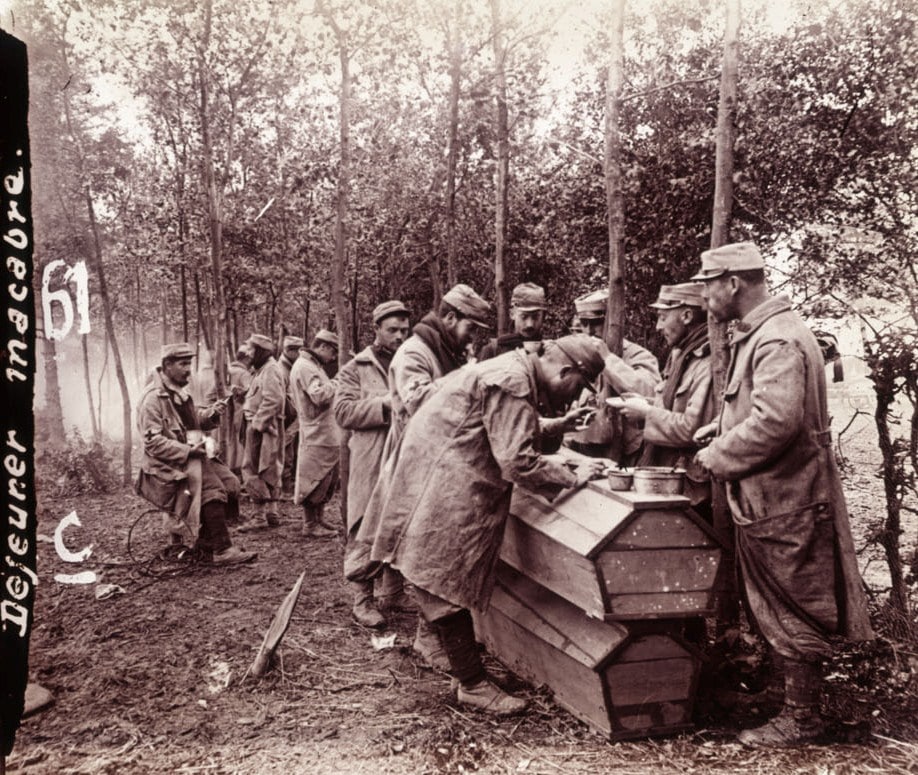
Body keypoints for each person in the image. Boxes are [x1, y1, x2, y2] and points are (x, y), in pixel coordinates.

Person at [351, 335, 609, 714]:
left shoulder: (507, 368)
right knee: (441, 577)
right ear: (565, 371)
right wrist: (573, 474)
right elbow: (517, 462)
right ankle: (471, 683)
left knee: (434, 576)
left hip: (431, 472)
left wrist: (555, 428)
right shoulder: (514, 380)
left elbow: (504, 425)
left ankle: (460, 667)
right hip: (442, 481)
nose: (573, 396)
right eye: (577, 387)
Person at [691, 241, 873, 747]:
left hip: (787, 497)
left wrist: (718, 455)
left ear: (733, 283)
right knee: (778, 599)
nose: (705, 295)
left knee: (794, 601)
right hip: (776, 495)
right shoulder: (769, 333)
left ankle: (803, 718)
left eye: (709, 284)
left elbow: (775, 423)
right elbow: (762, 408)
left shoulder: (776, 340)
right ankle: (792, 705)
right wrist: (721, 428)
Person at [357, 283, 491, 667]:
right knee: (423, 557)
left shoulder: (447, 350)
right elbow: (421, 403)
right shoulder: (414, 353)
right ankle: (429, 641)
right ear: (449, 318)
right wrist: (469, 378)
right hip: (417, 467)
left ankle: (428, 637)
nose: (474, 336)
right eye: (471, 327)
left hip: (444, 466)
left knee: (436, 557)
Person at [135, 343, 256, 565]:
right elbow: (153, 444)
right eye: (182, 364)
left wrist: (209, 414)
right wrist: (188, 450)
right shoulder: (153, 399)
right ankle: (222, 550)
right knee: (212, 489)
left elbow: (189, 421)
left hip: (193, 455)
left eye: (189, 363)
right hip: (169, 463)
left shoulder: (180, 392)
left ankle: (205, 544)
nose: (188, 369)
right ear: (167, 365)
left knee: (231, 483)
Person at [333, 300, 411, 628]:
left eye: (404, 331)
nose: (398, 336)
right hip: (369, 460)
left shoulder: (413, 362)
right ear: (376, 329)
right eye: (392, 330)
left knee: (398, 523)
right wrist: (385, 405)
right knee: (364, 526)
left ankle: (392, 592)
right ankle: (361, 599)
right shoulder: (357, 367)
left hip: (405, 458)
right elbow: (343, 411)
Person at [618, 282, 714, 519]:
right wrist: (647, 404)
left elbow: (694, 429)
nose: (659, 326)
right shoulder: (682, 355)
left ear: (687, 315)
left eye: (663, 317)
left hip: (694, 492)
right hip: (671, 480)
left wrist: (646, 414)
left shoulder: (708, 362)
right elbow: (673, 407)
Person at [567, 288, 660, 463]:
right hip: (584, 447)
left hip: (627, 452)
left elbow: (650, 392)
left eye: (595, 323)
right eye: (584, 323)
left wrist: (608, 359)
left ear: (611, 322)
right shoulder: (577, 355)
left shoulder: (637, 355)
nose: (588, 331)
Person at [291, 329, 342, 538]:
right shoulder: (305, 367)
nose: (334, 357)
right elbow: (319, 396)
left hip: (323, 431)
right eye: (333, 351)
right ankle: (310, 524)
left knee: (326, 477)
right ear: (322, 347)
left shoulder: (311, 366)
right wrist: (338, 382)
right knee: (315, 479)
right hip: (316, 432)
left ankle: (318, 518)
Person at [239, 333, 286, 532]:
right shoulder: (263, 370)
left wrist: (257, 424)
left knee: (254, 468)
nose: (248, 354)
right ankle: (271, 512)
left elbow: (274, 399)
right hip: (265, 424)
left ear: (260, 351)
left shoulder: (270, 369)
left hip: (263, 425)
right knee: (268, 467)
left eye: (251, 349)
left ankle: (259, 516)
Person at [478, 282, 546, 360]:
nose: (529, 324)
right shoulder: (493, 351)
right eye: (524, 317)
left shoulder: (549, 350)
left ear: (543, 316)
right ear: (512, 314)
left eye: (535, 317)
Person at [279, 335, 303, 495]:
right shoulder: (281, 369)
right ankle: (285, 488)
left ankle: (287, 485)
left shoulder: (291, 366)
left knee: (290, 452)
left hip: (293, 417)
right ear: (289, 351)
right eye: (297, 351)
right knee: (285, 453)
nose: (300, 354)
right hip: (286, 419)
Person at [225, 345, 252, 478]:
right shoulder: (244, 373)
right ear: (246, 359)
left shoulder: (229, 370)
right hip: (241, 411)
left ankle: (230, 466)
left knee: (231, 440)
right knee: (241, 441)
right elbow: (249, 391)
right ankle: (238, 470)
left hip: (228, 412)